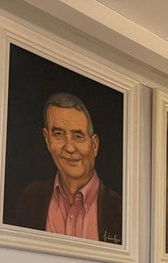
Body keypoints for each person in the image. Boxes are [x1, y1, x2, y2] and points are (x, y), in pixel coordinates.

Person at [13, 92, 123, 244]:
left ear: (95, 145)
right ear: (47, 139)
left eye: (78, 136)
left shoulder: (119, 210)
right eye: (58, 134)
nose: (69, 147)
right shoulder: (30, 200)